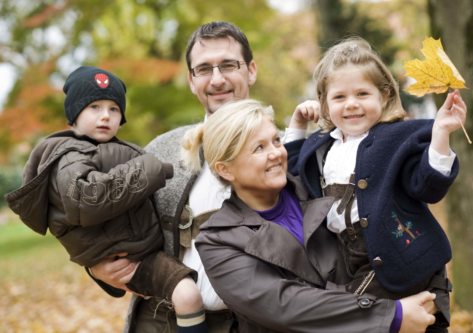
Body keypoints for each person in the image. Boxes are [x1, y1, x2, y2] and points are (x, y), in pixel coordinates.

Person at [183, 98, 439, 333]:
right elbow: (284, 305)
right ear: (225, 170)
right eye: (259, 148)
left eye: (276, 141)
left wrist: (435, 297)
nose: (276, 153)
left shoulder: (320, 186)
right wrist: (390, 316)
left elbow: (400, 225)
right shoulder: (218, 239)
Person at [5, 66, 209, 333]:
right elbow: (85, 200)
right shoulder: (69, 157)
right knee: (187, 296)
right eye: (94, 107)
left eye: (114, 109)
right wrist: (150, 170)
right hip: (132, 257)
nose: (106, 116)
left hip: (141, 248)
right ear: (73, 115)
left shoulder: (112, 150)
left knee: (186, 296)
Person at [284, 37, 466, 332]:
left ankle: (432, 290)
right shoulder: (322, 147)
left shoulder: (396, 140)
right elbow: (293, 172)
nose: (351, 104)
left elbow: (428, 186)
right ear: (325, 104)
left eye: (362, 93)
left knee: (346, 321)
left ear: (383, 96)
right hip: (345, 258)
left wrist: (442, 133)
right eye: (339, 97)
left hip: (394, 250)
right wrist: (297, 127)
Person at [88, 21, 257, 333]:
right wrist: (97, 266)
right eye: (204, 69)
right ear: (192, 81)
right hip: (162, 322)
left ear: (251, 70)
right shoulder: (161, 150)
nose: (217, 79)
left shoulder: (289, 147)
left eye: (228, 65)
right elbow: (110, 220)